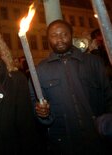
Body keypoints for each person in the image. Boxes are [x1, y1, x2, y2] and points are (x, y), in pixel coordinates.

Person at [33, 20, 112, 154]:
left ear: (71, 35)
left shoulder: (93, 62)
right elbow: (36, 105)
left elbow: (109, 95)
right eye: (54, 35)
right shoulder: (40, 71)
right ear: (48, 39)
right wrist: (42, 113)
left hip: (98, 138)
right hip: (64, 143)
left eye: (64, 34)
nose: (59, 39)